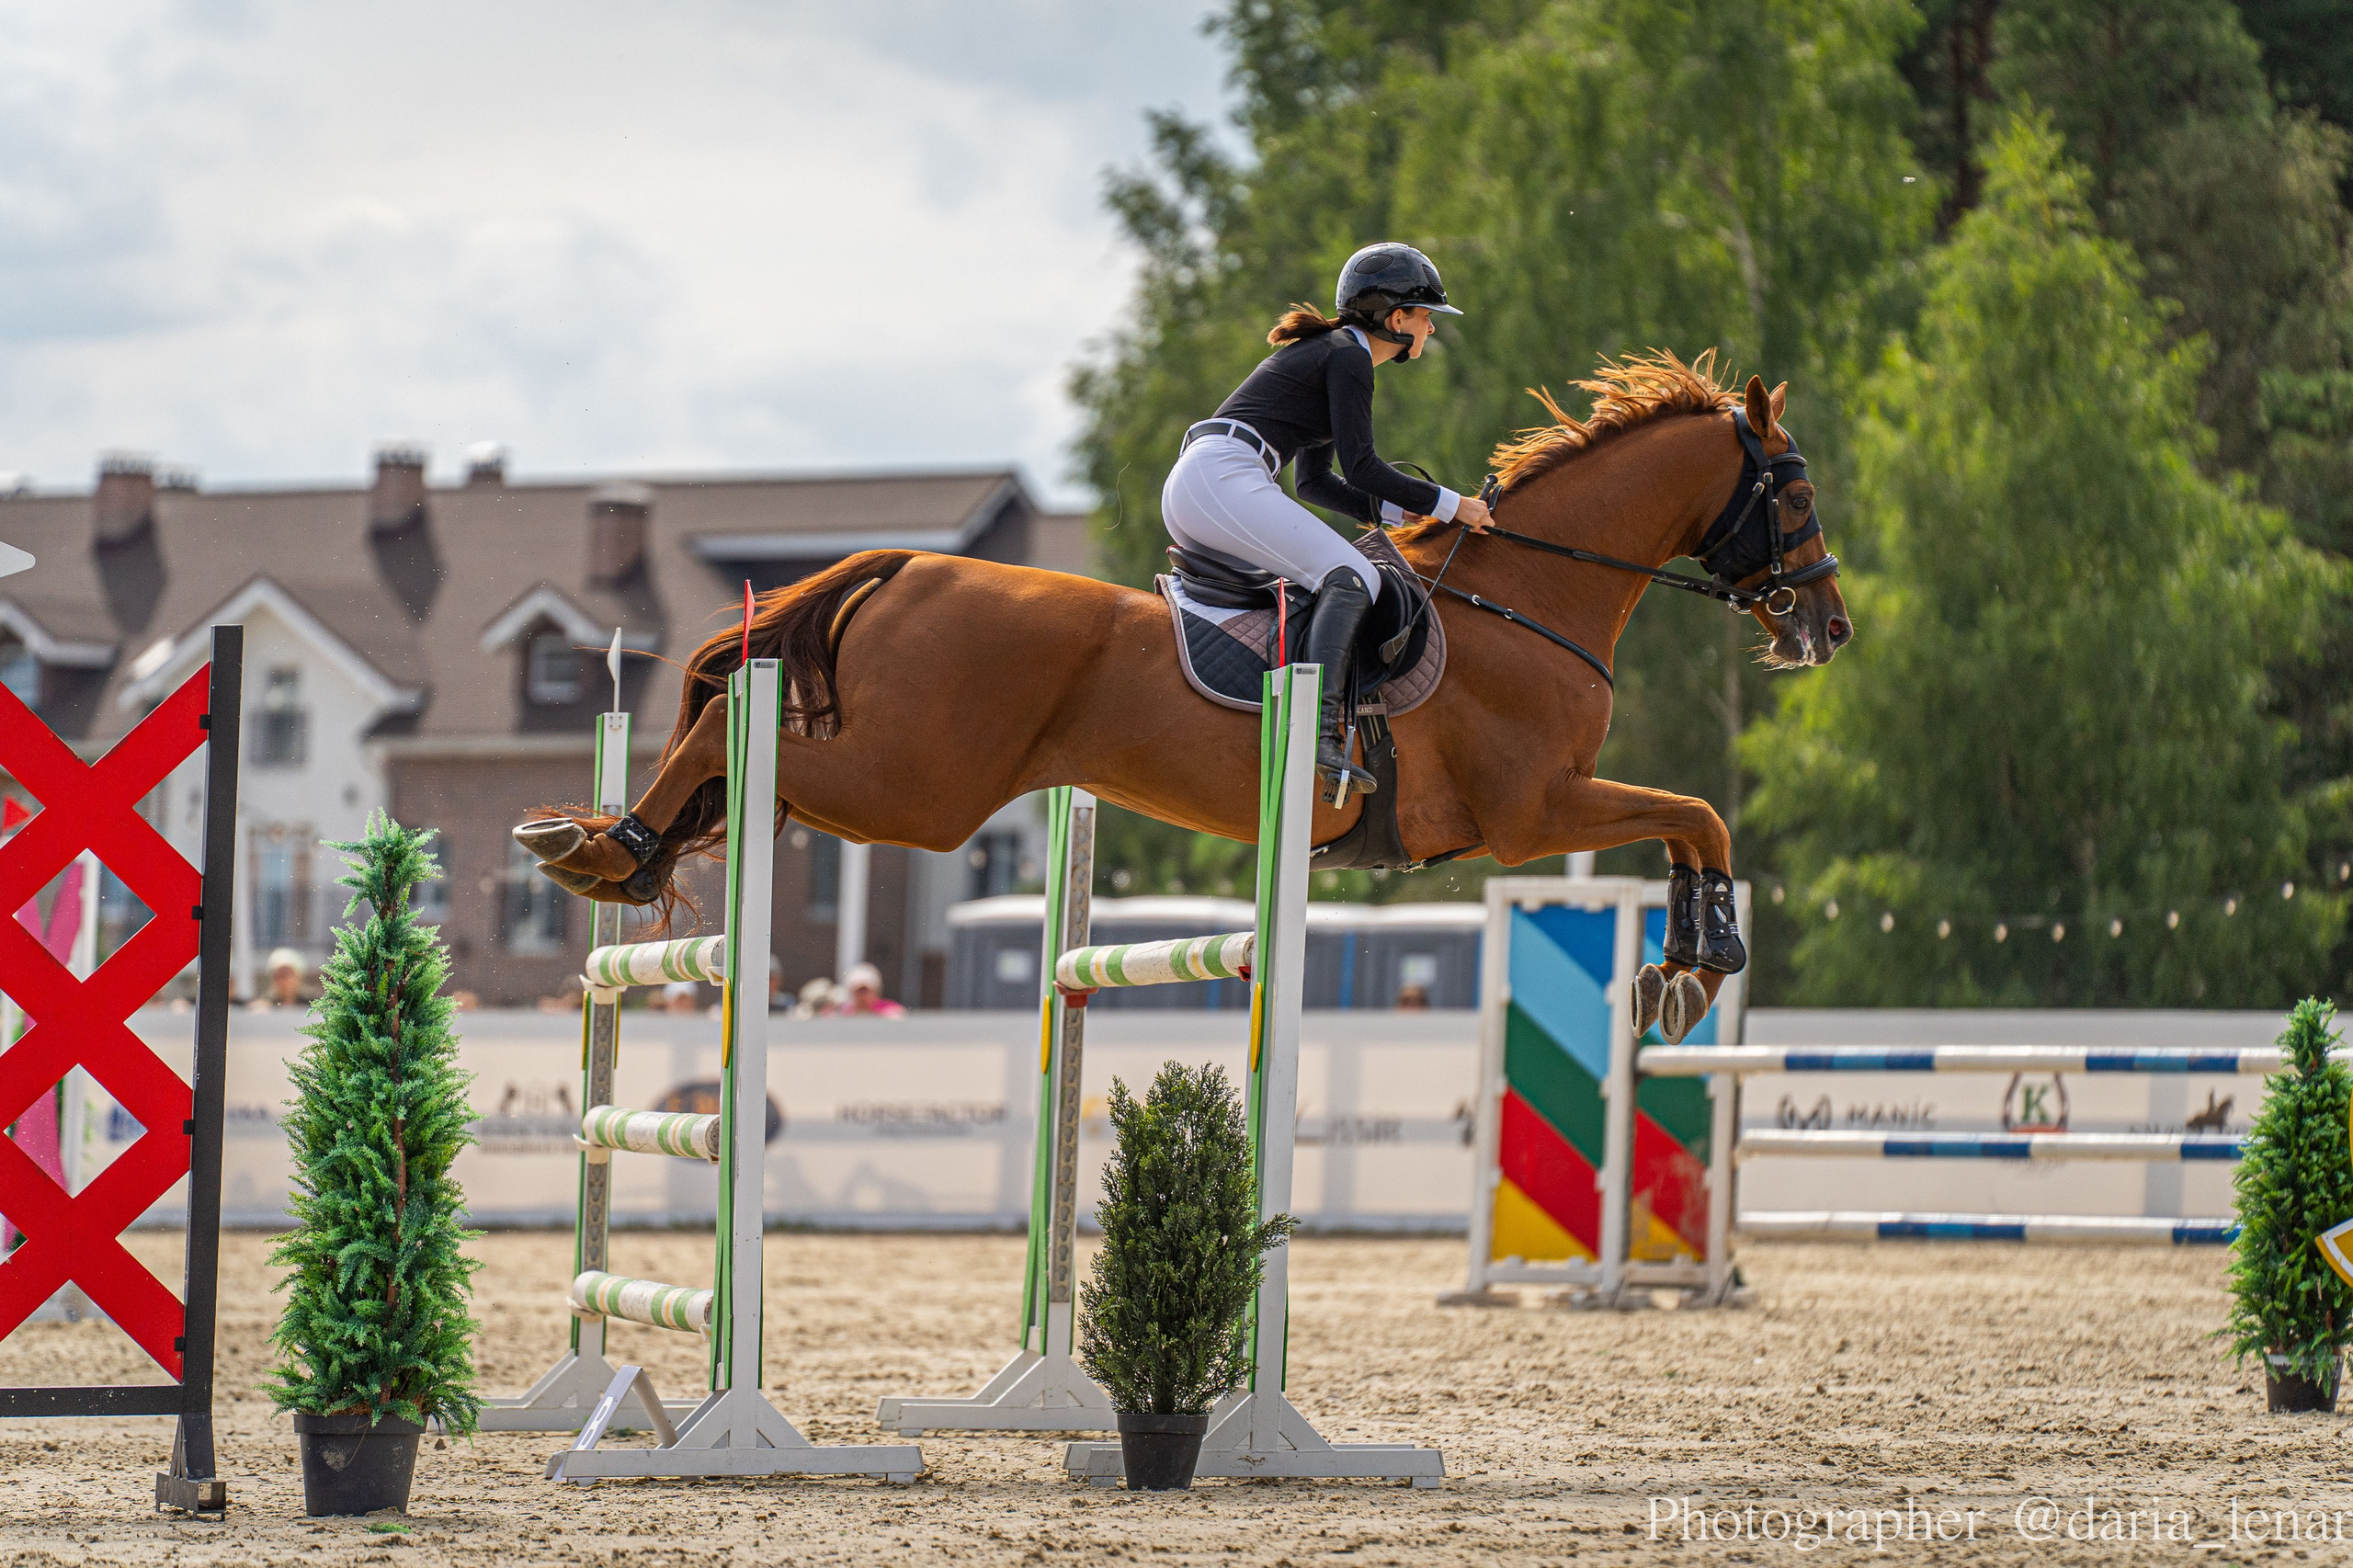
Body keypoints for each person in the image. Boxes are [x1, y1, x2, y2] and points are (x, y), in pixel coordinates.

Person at [1163, 242, 1492, 801]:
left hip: (1205, 480)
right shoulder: (1348, 357)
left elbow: (1314, 483)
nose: (1432, 328)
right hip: (1222, 476)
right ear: (1396, 319)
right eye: (1426, 316)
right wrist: (1451, 504)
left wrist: (1400, 511)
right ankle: (1319, 737)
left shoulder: (1334, 353)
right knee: (1354, 576)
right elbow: (1363, 467)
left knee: (1332, 575)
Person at [830, 961, 906, 1017]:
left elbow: (900, 1015)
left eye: (865, 990)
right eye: (858, 991)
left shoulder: (888, 1010)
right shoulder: (844, 1012)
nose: (862, 995)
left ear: (875, 991)